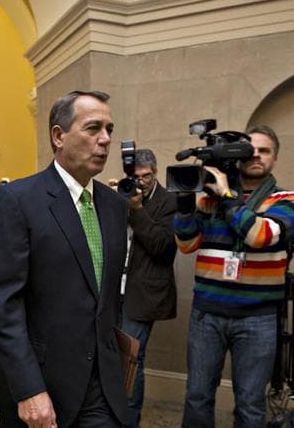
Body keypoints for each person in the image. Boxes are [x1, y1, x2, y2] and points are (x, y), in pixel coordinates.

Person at [0, 90, 130, 427]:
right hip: (41, 385)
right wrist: (28, 389)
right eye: (93, 128)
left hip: (102, 386)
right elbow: (4, 304)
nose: (105, 139)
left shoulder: (114, 206)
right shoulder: (18, 200)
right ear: (58, 136)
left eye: (109, 129)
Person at [173, 125, 294, 428]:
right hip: (206, 314)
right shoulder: (209, 199)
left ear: (275, 158)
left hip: (257, 319)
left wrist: (229, 198)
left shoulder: (289, 199)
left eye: (265, 151)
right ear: (237, 156)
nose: (256, 156)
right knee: (197, 396)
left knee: (249, 404)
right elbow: (186, 245)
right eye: (250, 150)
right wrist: (184, 205)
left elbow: (261, 236)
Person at [117, 149, 178, 427]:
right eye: (136, 177)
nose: (141, 183)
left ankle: (129, 420)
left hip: (144, 293)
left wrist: (137, 209)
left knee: (132, 357)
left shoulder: (169, 201)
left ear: (155, 172)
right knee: (113, 353)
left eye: (147, 177)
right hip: (115, 288)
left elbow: (161, 247)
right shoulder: (122, 194)